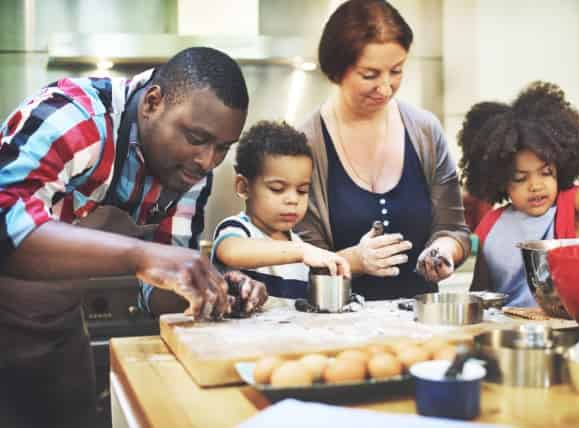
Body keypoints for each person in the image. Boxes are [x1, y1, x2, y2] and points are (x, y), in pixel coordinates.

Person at [0, 47, 267, 427]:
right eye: (196, 138)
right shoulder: (77, 119)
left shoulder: (188, 172)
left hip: (59, 333)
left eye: (222, 147)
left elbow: (159, 293)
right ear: (153, 103)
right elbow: (6, 225)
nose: (208, 161)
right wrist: (142, 256)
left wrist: (211, 288)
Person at [295, 0, 470, 300]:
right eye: (370, 74)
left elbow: (454, 230)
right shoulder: (306, 144)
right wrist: (354, 261)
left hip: (423, 326)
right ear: (337, 70)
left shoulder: (425, 131)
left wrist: (444, 251)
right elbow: (296, 258)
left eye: (397, 71)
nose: (386, 88)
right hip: (336, 329)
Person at [458, 81, 579, 306]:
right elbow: (478, 295)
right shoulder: (491, 224)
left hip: (564, 329)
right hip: (507, 333)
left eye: (545, 173)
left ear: (560, 168)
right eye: (520, 178)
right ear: (501, 180)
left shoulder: (571, 202)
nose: (535, 185)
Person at [211, 121, 350, 299]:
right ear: (244, 187)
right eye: (277, 188)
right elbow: (230, 252)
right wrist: (302, 252)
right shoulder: (237, 230)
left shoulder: (299, 245)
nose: (293, 200)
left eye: (302, 190)